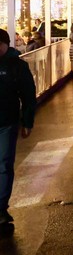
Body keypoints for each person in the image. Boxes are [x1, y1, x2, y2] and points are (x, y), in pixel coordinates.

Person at [0, 28, 37, 227]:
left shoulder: (17, 66)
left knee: (4, 163)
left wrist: (27, 121)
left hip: (7, 121)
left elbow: (28, 95)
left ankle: (1, 207)